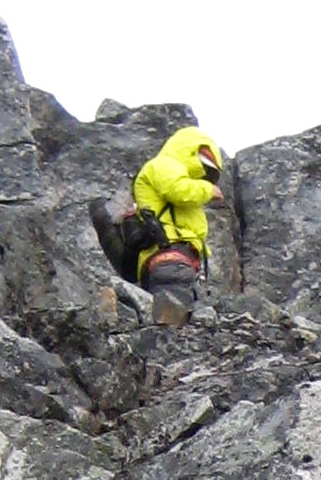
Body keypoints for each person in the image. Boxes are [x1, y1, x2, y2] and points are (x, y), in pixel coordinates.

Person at [89, 127, 226, 329]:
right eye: (205, 164)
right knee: (174, 327)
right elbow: (177, 191)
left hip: (171, 263)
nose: (206, 174)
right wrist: (208, 189)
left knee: (173, 330)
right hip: (171, 261)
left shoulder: (169, 169)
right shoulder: (165, 165)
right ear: (190, 150)